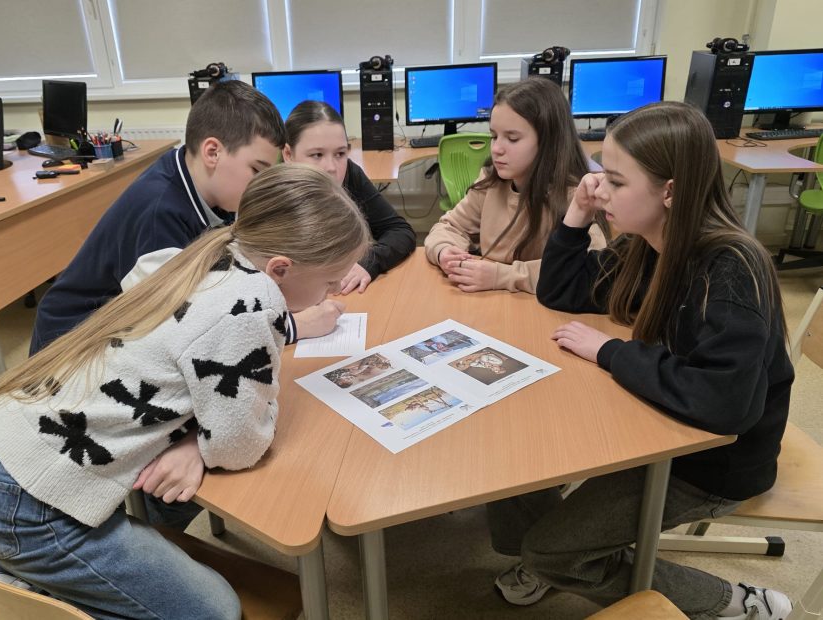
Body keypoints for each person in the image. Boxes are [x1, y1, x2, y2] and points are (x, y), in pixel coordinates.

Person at [0, 164, 371, 620]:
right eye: (329, 281)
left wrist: (197, 437)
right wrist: (205, 438)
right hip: (26, 504)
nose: (333, 291)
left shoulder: (212, 249)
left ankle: (44, 578)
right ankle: (35, 595)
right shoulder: (251, 305)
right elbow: (241, 445)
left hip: (0, 445)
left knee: (168, 497)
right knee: (216, 612)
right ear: (281, 268)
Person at [489, 102, 793, 620]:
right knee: (511, 449)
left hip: (711, 463)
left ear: (669, 191)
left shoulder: (730, 269)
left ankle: (734, 603)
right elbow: (560, 292)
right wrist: (576, 216)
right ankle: (555, 554)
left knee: (549, 552)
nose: (597, 189)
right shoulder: (649, 244)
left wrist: (611, 352)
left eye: (614, 180)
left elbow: (725, 405)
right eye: (600, 174)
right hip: (655, 421)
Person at [29, 81, 342, 357]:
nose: (260, 184)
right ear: (212, 152)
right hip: (73, 349)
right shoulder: (159, 213)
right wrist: (293, 327)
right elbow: (183, 330)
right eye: (256, 170)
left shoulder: (209, 188)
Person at [423, 77, 607, 293]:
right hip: (489, 300)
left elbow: (588, 270)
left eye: (512, 139)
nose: (496, 149)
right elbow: (449, 226)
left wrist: (503, 276)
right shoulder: (490, 182)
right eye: (494, 136)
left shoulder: (576, 196)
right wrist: (444, 251)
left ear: (548, 141)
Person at [283, 100, 416, 294]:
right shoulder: (271, 194)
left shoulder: (351, 175)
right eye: (317, 155)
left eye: (340, 153)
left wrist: (368, 263)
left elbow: (400, 231)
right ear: (288, 154)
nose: (331, 167)